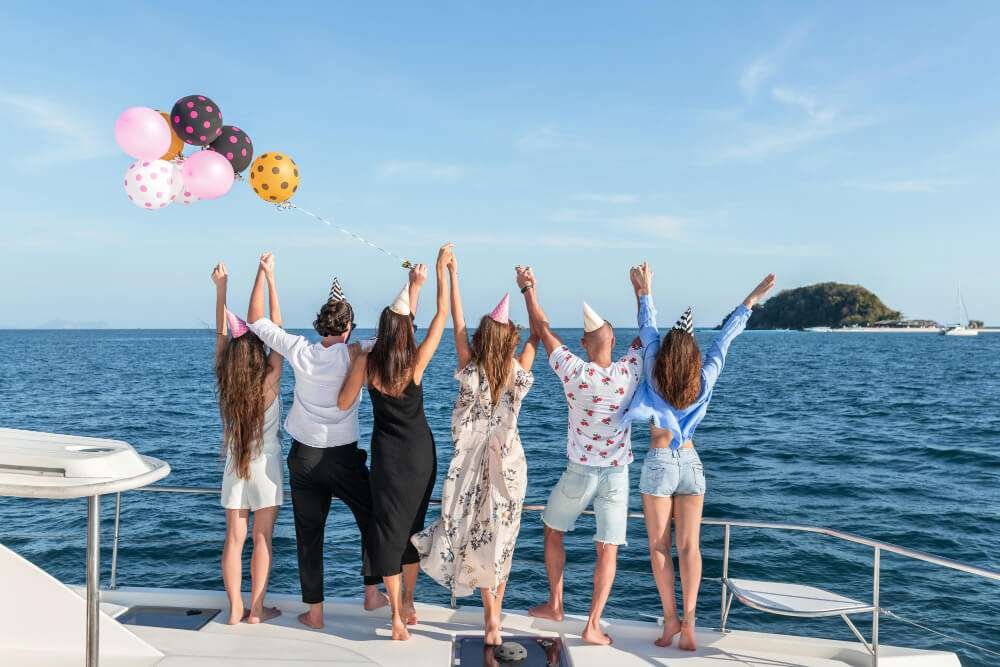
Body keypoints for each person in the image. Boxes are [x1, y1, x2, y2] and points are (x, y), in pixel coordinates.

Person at [247, 257, 429, 629]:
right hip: (344, 459)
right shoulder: (360, 352)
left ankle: (314, 612)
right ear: (348, 326)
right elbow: (402, 329)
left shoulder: (299, 349)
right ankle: (371, 592)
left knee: (309, 536)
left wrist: (265, 275)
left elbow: (256, 322)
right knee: (374, 521)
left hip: (304, 459)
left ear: (320, 325)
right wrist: (415, 285)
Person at [626, 262, 775, 650]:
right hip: (691, 462)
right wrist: (751, 300)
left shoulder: (653, 368)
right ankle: (690, 625)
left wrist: (644, 290)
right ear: (691, 354)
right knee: (690, 546)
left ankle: (671, 620)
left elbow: (648, 328)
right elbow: (725, 339)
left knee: (660, 548)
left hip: (659, 462)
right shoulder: (704, 377)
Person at [411, 251, 539, 646]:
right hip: (509, 467)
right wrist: (528, 287)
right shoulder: (519, 370)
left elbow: (457, 322)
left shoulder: (471, 366)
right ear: (510, 339)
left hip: (467, 465)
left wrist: (451, 273)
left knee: (469, 532)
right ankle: (493, 617)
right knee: (501, 540)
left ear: (485, 338)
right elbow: (538, 333)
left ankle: (488, 613)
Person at [516, 265, 644, 646]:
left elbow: (542, 331)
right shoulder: (631, 369)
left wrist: (528, 288)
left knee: (553, 530)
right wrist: (641, 291)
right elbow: (647, 336)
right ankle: (593, 623)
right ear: (614, 339)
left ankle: (556, 604)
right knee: (608, 547)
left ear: (585, 345)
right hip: (618, 472)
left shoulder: (575, 372)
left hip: (581, 471)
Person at [339, 243, 453, 641]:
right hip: (421, 457)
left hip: (388, 460)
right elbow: (441, 316)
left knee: (388, 531)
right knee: (413, 529)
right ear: (407, 330)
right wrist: (441, 272)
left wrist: (354, 357)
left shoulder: (368, 363)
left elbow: (342, 402)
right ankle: (408, 602)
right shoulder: (415, 363)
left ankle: (396, 619)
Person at [212, 255, 284, 625]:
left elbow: (222, 338)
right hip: (266, 466)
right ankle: (257, 610)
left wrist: (222, 290)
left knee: (234, 539)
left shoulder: (226, 378)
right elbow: (278, 330)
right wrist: (269, 279)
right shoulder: (269, 378)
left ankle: (234, 609)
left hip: (234, 465)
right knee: (262, 539)